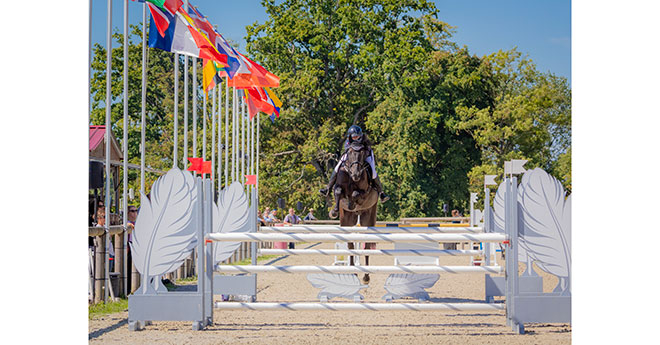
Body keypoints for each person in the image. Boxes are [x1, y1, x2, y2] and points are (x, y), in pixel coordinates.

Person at [319, 125, 389, 216]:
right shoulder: (348, 141)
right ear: (350, 136)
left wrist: (363, 154)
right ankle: (327, 188)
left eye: (357, 136)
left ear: (360, 135)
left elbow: (368, 150)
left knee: (373, 172)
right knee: (337, 167)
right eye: (354, 136)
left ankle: (381, 193)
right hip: (351, 156)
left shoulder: (365, 140)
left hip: (364, 157)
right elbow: (347, 150)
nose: (355, 138)